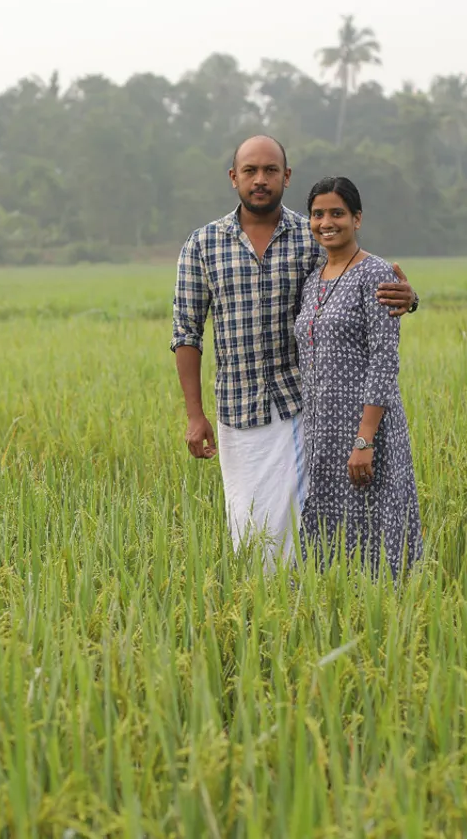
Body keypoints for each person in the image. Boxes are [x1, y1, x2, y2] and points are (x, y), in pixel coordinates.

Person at [170, 135, 418, 571]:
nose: (260, 180)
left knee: (308, 536)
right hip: (237, 410)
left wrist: (408, 298)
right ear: (234, 178)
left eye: (270, 171)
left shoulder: (311, 236)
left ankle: (311, 612)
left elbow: (358, 282)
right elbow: (186, 332)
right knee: (249, 534)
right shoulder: (203, 244)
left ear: (286, 176)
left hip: (301, 411)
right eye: (250, 171)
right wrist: (194, 414)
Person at [294, 176, 423, 577]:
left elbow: (384, 361)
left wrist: (365, 438)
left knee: (375, 533)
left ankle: (389, 616)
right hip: (321, 432)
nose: (326, 222)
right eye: (317, 214)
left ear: (357, 218)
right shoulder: (313, 279)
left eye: (337, 213)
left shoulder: (376, 274)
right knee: (329, 537)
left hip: (366, 428)